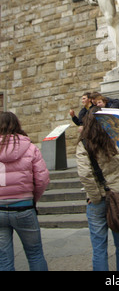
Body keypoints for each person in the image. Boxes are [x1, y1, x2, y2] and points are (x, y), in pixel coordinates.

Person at [76, 107, 119, 271]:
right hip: (118, 195)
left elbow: (85, 173)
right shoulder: (112, 139)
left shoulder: (84, 143)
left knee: (99, 247)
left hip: (98, 199)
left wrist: (96, 196)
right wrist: (118, 185)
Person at [0, 112, 50, 271]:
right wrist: (33, 197)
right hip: (24, 206)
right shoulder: (30, 148)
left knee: (4, 258)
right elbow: (42, 179)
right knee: (35, 253)